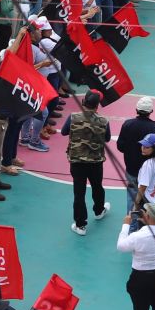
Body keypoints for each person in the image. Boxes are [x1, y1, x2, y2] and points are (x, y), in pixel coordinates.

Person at [62, 89, 110, 236]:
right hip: (96, 162)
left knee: (79, 193)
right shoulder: (104, 121)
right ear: (97, 106)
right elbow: (107, 138)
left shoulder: (73, 117)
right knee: (97, 186)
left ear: (83, 102)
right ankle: (99, 210)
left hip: (77, 162)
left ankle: (80, 225)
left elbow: (64, 132)